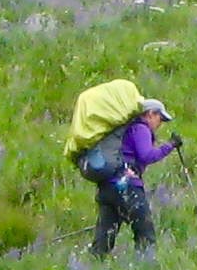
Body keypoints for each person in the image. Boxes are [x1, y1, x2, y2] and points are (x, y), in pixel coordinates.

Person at [66, 80, 182, 258]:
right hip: (127, 186)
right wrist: (170, 146)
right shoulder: (140, 128)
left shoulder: (124, 131)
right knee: (145, 232)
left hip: (107, 187)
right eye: (160, 118)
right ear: (150, 114)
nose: (160, 123)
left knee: (104, 238)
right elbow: (146, 156)